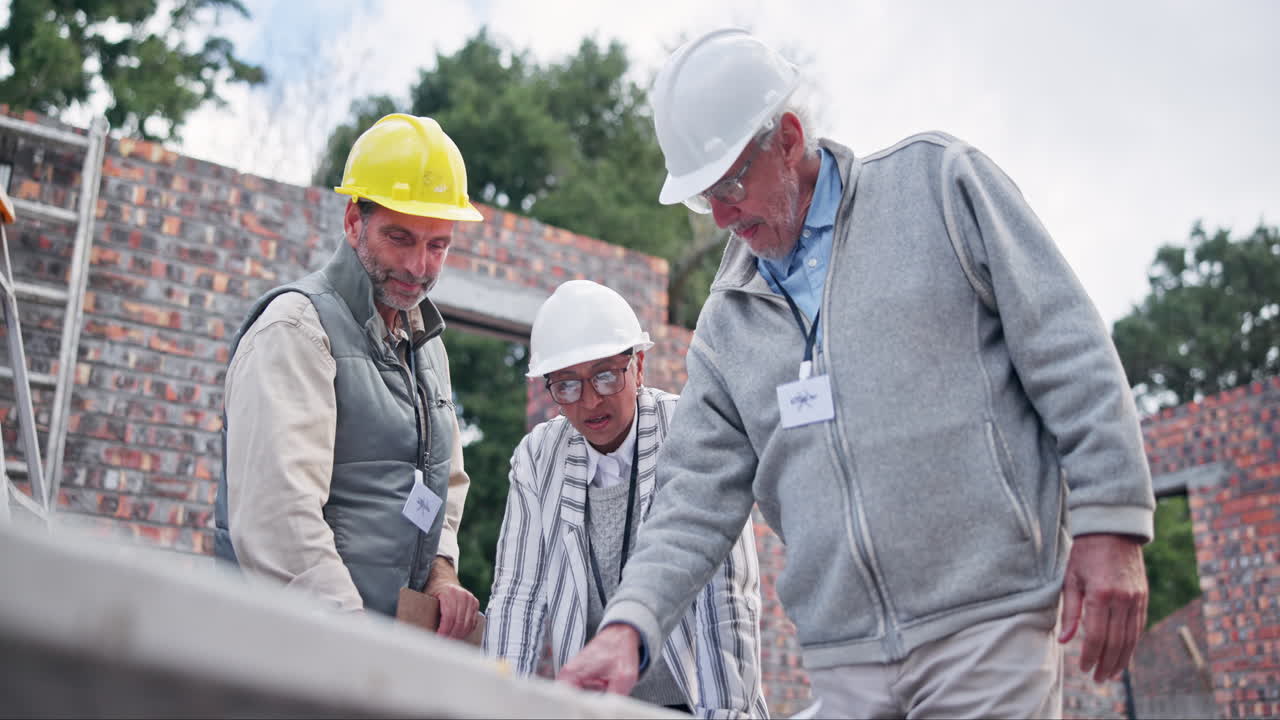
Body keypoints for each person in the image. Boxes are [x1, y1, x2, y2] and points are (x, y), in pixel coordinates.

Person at [559, 29, 1156, 718]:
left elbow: (1068, 347)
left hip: (985, 625)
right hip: (843, 661)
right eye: (702, 199)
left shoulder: (938, 187)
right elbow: (691, 498)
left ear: (786, 138)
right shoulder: (727, 324)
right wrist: (628, 626)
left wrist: (1112, 524)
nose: (721, 216)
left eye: (728, 185)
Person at [213, 114, 482, 639]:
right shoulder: (296, 330)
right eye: (400, 238)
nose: (418, 266)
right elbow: (279, 519)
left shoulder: (428, 350)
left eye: (438, 245)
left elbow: (442, 485)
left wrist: (440, 574)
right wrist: (353, 643)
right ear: (354, 221)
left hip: (371, 656)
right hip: (290, 652)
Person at [484, 280, 768, 718]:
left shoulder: (690, 429)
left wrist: (726, 713)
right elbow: (517, 596)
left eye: (604, 375)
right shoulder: (538, 456)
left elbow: (727, 594)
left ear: (638, 366)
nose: (591, 400)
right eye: (567, 385)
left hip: (694, 701)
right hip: (596, 709)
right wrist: (493, 708)